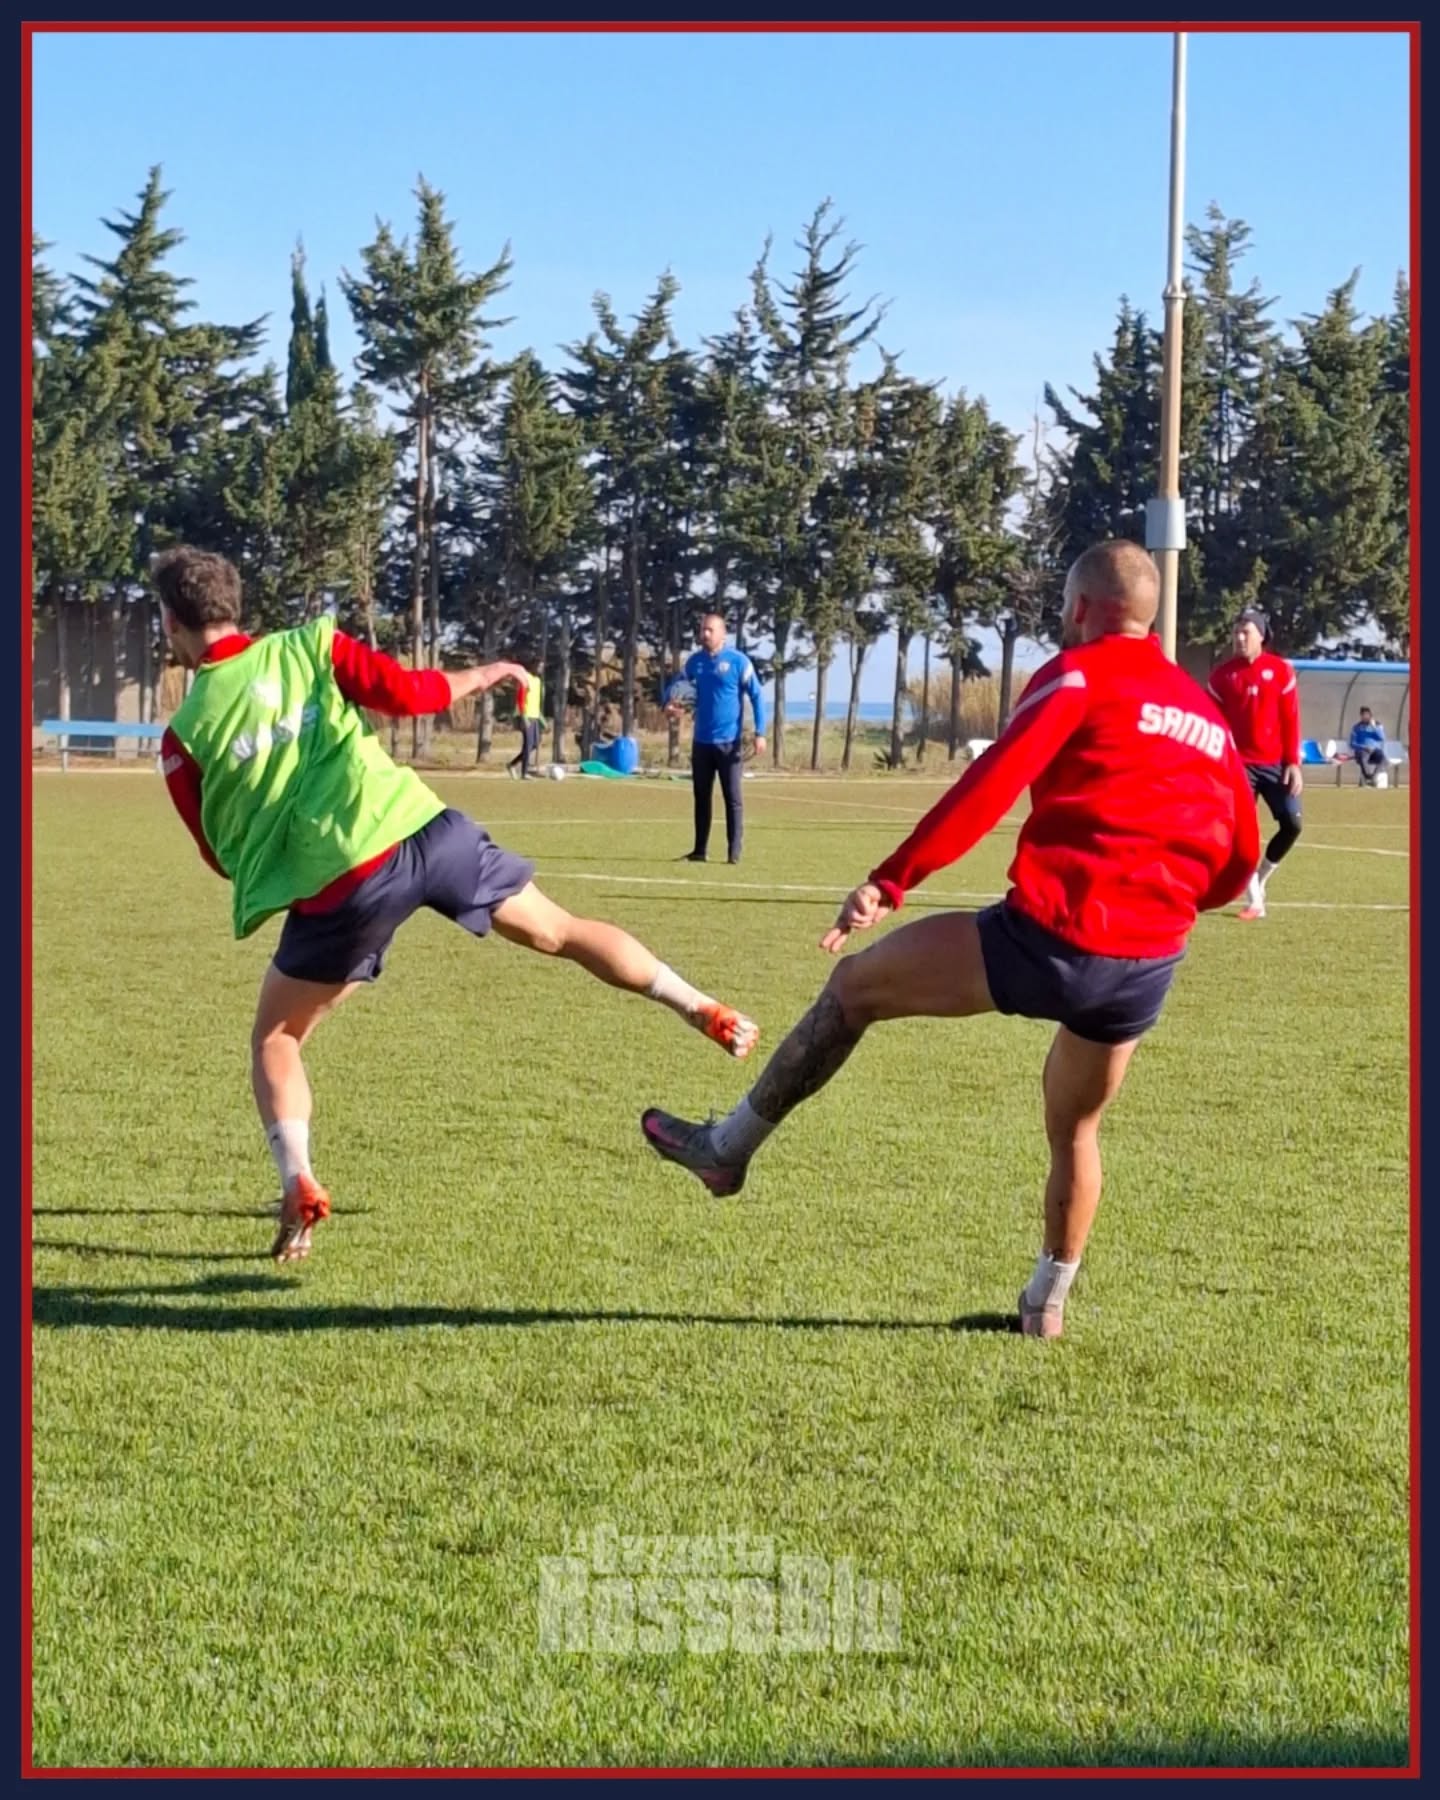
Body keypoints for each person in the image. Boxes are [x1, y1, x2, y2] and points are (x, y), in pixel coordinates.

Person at [639, 541, 1259, 1341]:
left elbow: (988, 786)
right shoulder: (1206, 715)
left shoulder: (1075, 676)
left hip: (1051, 936)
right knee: (1075, 1129)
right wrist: (1172, 907)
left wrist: (890, 880)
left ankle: (726, 1148)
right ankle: (1045, 1307)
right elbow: (1241, 857)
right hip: (1145, 964)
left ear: (1077, 610)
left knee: (854, 989)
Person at [153, 547, 759, 1265]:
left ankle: (299, 1180)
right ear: (234, 604)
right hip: (424, 829)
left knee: (276, 1041)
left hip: (342, 887)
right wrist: (489, 672)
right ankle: (700, 1007)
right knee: (559, 930)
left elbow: (218, 853)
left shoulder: (184, 736)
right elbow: (410, 694)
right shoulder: (309, 645)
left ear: (173, 620)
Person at [1206, 608, 1302, 921]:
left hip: (1276, 764)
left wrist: (1293, 762)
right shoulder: (1221, 677)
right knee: (1241, 834)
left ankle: (1260, 879)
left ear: (1262, 635)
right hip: (1238, 767)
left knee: (1292, 824)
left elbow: (1290, 718)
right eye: (1236, 632)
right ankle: (1255, 902)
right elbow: (1215, 725)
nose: (1240, 637)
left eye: (1246, 632)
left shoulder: (1281, 671)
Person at [663, 612, 766, 866]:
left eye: (709, 630)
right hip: (702, 742)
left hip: (729, 742)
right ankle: (700, 850)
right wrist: (668, 704)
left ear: (722, 633)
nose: (704, 634)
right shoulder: (695, 662)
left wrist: (760, 732)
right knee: (701, 796)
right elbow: (675, 687)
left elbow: (757, 696)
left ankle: (733, 853)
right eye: (702, 630)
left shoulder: (738, 662)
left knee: (732, 798)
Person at [508, 657, 544, 779]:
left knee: (535, 743)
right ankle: (524, 773)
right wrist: (523, 717)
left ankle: (512, 764)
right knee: (528, 744)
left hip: (534, 716)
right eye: (539, 667)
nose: (541, 669)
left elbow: (536, 701)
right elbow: (520, 699)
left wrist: (541, 719)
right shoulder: (525, 679)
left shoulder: (538, 681)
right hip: (526, 716)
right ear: (533, 666)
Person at [1348, 707, 1388, 786]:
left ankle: (1373, 777)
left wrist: (1374, 727)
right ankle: (1367, 777)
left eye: (1367, 715)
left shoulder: (1377, 725)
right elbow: (1352, 744)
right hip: (1361, 751)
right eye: (1363, 715)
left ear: (1370, 716)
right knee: (1364, 755)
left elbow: (1382, 738)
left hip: (1374, 751)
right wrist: (1364, 747)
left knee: (1383, 758)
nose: (1365, 717)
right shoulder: (1357, 727)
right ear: (1361, 716)